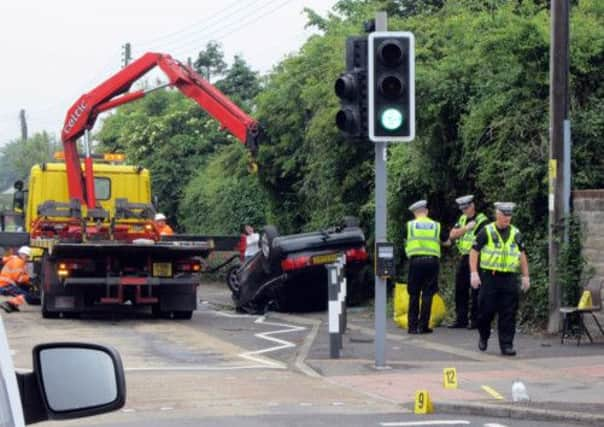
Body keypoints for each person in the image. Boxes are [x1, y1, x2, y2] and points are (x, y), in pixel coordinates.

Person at [469, 202, 531, 356]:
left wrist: (525, 276)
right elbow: (474, 251)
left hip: (509, 278)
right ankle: (484, 336)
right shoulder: (487, 231)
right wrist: (474, 273)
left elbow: (522, 255)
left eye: (509, 216)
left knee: (508, 313)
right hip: (490, 277)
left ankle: (506, 345)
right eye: (504, 215)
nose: (507, 219)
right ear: (497, 215)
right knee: (485, 311)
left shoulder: (516, 233)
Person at [404, 200, 449, 334]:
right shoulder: (436, 225)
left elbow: (405, 241)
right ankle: (423, 326)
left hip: (415, 262)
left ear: (415, 213)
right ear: (426, 212)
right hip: (431, 262)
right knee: (428, 293)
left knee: (414, 294)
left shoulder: (410, 225)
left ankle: (412, 327)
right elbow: (446, 242)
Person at [447, 195, 489, 329]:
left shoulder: (482, 220)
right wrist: (466, 228)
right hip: (465, 257)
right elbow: (452, 235)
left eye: (466, 208)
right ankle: (461, 319)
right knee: (460, 288)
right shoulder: (463, 219)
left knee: (476, 289)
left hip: (478, 257)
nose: (464, 211)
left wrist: (463, 230)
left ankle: (475, 320)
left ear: (472, 206)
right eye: (462, 209)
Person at [0, 246, 35, 313]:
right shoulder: (19, 262)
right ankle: (8, 304)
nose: (27, 258)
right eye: (27, 256)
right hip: (5, 286)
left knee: (25, 289)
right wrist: (29, 279)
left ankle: (14, 306)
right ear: (22, 254)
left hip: (4, 284)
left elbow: (4, 259)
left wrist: (28, 283)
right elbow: (18, 278)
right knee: (25, 295)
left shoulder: (14, 258)